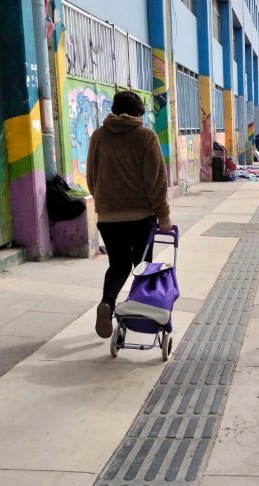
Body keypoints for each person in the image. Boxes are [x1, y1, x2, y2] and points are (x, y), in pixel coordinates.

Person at [87, 91, 173, 339]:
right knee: (142, 266)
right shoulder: (145, 136)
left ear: (114, 109)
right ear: (138, 113)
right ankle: (143, 315)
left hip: (108, 218)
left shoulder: (98, 136)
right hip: (141, 217)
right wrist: (163, 215)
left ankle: (107, 303)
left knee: (118, 265)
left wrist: (103, 203)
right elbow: (156, 180)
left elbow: (92, 175)